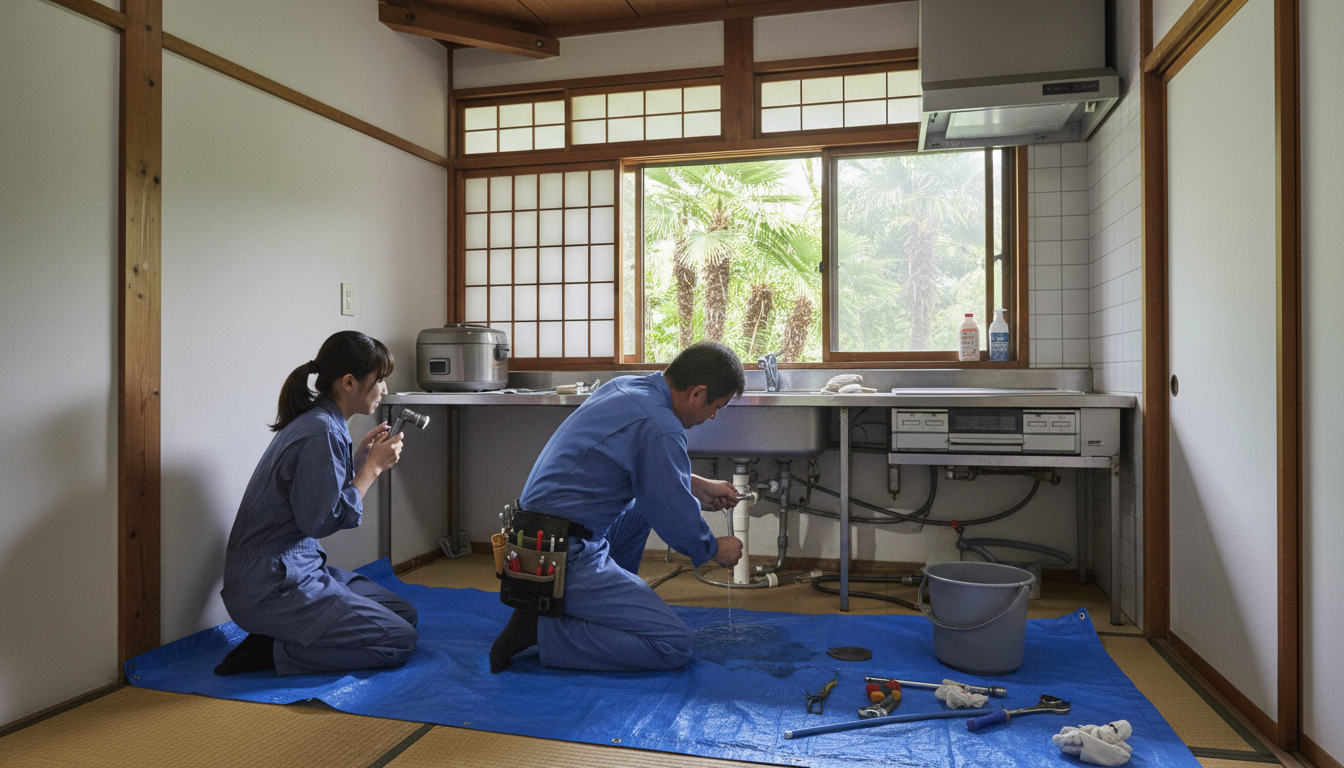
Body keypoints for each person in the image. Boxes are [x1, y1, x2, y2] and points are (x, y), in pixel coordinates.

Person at [490, 341, 747, 674]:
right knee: (674, 645)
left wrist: (697, 486)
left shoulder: (629, 386)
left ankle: (592, 604)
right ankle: (542, 630)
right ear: (697, 393)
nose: (712, 416)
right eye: (716, 407)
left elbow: (642, 468)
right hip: (558, 556)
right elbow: (672, 513)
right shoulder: (661, 426)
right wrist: (713, 549)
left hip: (534, 539)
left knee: (641, 508)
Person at [214, 331, 418, 676]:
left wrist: (357, 460)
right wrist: (372, 469)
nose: (384, 388)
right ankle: (274, 652)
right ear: (350, 383)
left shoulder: (323, 423)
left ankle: (281, 638)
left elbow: (312, 496)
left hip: (295, 569)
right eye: (379, 380)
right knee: (398, 641)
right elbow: (320, 521)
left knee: (403, 615)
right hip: (270, 586)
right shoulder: (321, 431)